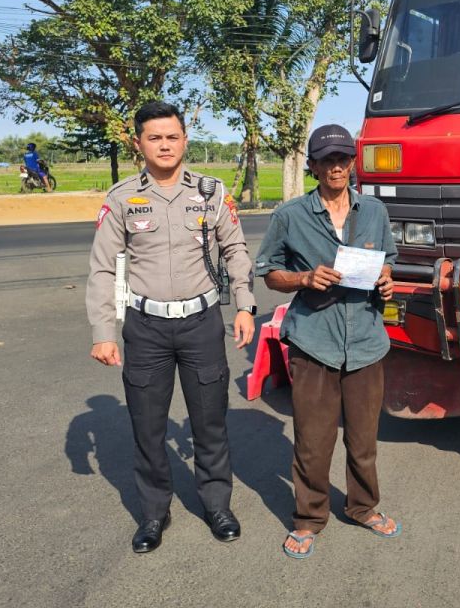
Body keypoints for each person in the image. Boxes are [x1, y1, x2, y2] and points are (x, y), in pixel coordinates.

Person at [86, 101, 257, 553]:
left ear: (184, 140)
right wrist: (104, 330)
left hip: (201, 324)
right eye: (155, 137)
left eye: (173, 136)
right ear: (139, 142)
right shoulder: (122, 198)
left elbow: (235, 249)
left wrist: (244, 305)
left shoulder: (211, 192)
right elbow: (103, 269)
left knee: (210, 421)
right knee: (147, 426)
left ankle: (217, 504)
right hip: (146, 329)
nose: (165, 145)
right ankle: (153, 514)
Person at [253, 124, 399, 560]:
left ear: (353, 164)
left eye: (344, 159)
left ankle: (363, 506)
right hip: (314, 341)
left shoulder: (374, 211)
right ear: (313, 166)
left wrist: (387, 282)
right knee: (313, 440)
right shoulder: (290, 215)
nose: (337, 167)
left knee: (363, 438)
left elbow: (387, 262)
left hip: (367, 342)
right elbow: (270, 272)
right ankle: (309, 517)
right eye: (327, 160)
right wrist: (304, 278)